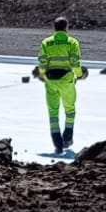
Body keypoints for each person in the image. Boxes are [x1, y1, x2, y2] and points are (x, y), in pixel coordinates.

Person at [33, 18, 88, 153]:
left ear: (54, 28)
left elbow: (42, 62)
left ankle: (57, 143)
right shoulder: (72, 43)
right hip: (66, 81)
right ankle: (67, 138)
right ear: (66, 28)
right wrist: (80, 75)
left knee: (53, 112)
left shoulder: (46, 43)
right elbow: (75, 63)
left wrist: (41, 74)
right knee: (70, 110)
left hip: (50, 81)